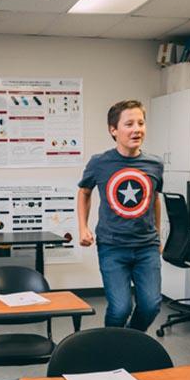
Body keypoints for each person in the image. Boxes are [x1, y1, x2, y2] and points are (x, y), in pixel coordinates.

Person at [77, 99, 164, 331]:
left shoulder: (155, 164)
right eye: (129, 124)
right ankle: (112, 344)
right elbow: (84, 192)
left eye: (141, 123)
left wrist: (158, 235)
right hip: (112, 246)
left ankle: (130, 341)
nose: (137, 129)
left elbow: (154, 198)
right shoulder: (100, 163)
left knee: (151, 305)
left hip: (146, 247)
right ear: (113, 130)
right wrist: (83, 228)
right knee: (120, 308)